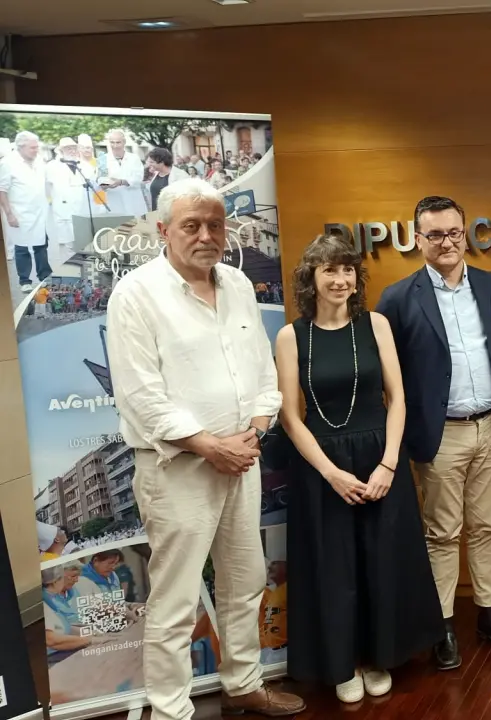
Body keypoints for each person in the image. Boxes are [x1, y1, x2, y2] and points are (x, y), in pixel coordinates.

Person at [105, 177, 305, 719]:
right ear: (163, 230)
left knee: (245, 582)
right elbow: (140, 396)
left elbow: (262, 371)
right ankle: (171, 711)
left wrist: (255, 430)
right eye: (191, 225)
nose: (206, 236)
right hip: (178, 469)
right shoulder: (136, 295)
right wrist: (208, 444)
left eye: (215, 225)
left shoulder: (238, 284)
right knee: (175, 599)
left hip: (242, 460)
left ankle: (243, 684)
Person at [275, 233, 443, 702]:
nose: (340, 279)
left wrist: (389, 463)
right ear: (311, 277)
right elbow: (290, 415)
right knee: (334, 569)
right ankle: (343, 663)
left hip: (379, 458)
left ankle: (377, 657)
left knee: (381, 561)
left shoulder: (375, 325)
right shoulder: (291, 336)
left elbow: (398, 398)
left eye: (347, 269)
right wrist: (330, 472)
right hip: (321, 466)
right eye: (329, 270)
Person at [376, 195, 491, 670]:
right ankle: (442, 625)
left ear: (465, 234)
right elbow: (388, 374)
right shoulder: (398, 299)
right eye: (435, 234)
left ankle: (490, 612)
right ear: (418, 239)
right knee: (442, 532)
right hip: (440, 435)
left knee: (487, 526)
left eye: (454, 232)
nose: (446, 242)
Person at [0, 130, 53, 292]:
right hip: (19, 213)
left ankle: (45, 276)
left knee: (41, 244)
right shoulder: (8, 163)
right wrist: (9, 214)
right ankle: (25, 281)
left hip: (40, 212)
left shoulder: (39, 161)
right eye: (32, 148)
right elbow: (2, 190)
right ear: (21, 147)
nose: (36, 150)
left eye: (37, 147)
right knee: (22, 247)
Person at [98, 128, 147, 217]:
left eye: (118, 142)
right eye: (112, 142)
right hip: (114, 201)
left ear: (124, 142)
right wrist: (105, 185)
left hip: (133, 201)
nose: (115, 146)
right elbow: (100, 178)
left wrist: (121, 182)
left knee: (135, 223)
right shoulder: (103, 159)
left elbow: (138, 178)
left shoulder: (134, 158)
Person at [145, 148, 191, 213]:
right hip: (156, 214)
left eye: (152, 162)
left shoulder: (180, 175)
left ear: (162, 162)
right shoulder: (155, 174)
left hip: (173, 214)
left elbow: (186, 198)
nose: (149, 164)